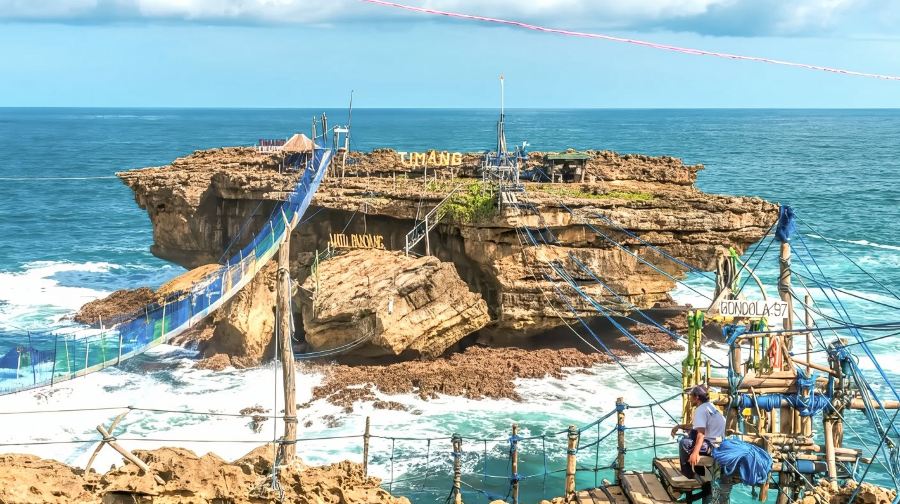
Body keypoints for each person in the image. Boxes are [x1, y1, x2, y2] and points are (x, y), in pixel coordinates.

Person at [670, 385, 726, 479]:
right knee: (692, 433)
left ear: (697, 397)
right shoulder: (710, 406)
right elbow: (697, 426)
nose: (689, 399)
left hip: (711, 447)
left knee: (684, 443)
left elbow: (701, 433)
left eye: (691, 396)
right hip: (719, 444)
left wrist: (695, 453)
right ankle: (701, 473)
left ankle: (687, 476)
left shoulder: (700, 410)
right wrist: (679, 426)